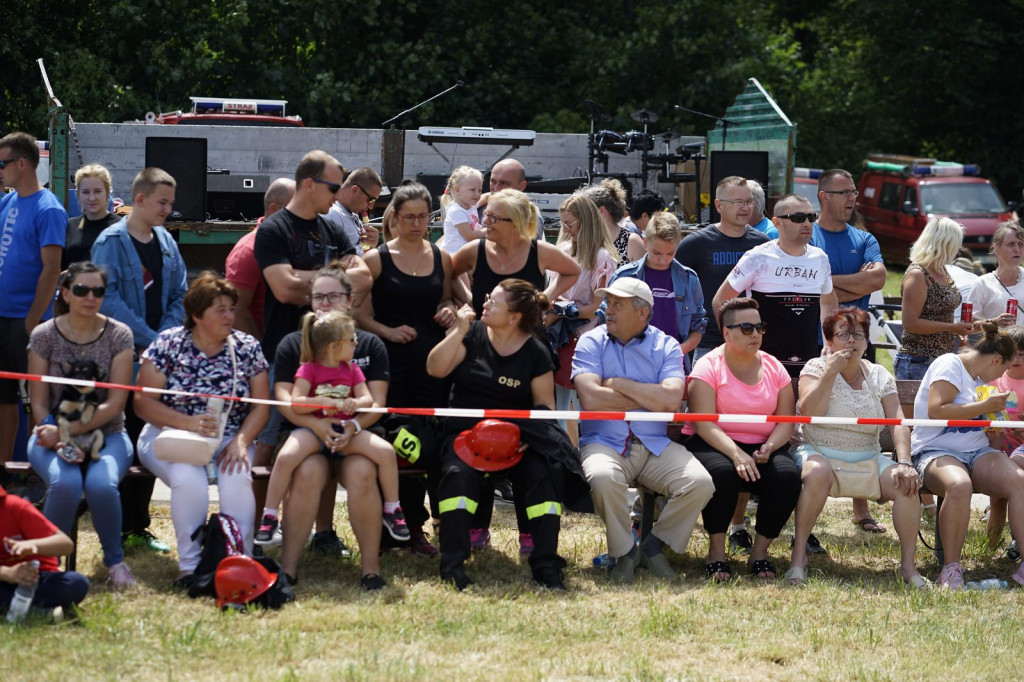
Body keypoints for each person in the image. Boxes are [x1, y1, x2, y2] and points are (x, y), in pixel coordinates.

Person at [427, 279, 581, 590]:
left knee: (543, 474)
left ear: (513, 317)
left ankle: (546, 565)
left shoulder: (536, 352)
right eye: (487, 297)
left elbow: (544, 408)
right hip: (464, 437)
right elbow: (435, 369)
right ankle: (453, 564)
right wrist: (457, 330)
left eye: (493, 302)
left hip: (518, 441)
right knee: (458, 477)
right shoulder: (470, 335)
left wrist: (528, 437)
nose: (484, 304)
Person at [451, 189, 579, 552]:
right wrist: (466, 303)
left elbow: (572, 271)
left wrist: (547, 299)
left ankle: (529, 532)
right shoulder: (474, 251)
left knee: (529, 443)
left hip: (528, 354)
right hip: (483, 348)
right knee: (480, 434)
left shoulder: (539, 251)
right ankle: (477, 528)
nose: (485, 222)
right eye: (485, 215)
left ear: (518, 224)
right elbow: (449, 273)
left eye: (493, 218)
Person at [573, 278, 714, 582]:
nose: (607, 309)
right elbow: (592, 399)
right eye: (607, 302)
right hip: (604, 443)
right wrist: (650, 395)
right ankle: (625, 551)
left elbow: (671, 401)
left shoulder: (666, 345)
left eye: (616, 304)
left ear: (642, 313)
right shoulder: (590, 340)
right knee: (601, 478)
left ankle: (653, 547)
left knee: (700, 483)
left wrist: (618, 384)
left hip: (655, 445)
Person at [135, 274, 270, 587]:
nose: (229, 316)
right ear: (197, 315)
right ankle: (192, 569)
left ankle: (240, 562)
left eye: (231, 309)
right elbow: (142, 403)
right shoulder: (168, 343)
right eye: (220, 310)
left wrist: (241, 441)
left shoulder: (247, 347)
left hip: (229, 436)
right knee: (187, 479)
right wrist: (188, 423)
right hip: (169, 435)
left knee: (237, 478)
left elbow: (261, 406)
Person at [274, 264, 396, 587]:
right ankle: (287, 570)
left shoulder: (368, 345)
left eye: (333, 296)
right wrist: (317, 427)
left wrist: (352, 428)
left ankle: (370, 570)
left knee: (363, 473)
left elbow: (377, 402)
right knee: (306, 473)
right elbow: (285, 399)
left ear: (350, 299)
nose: (324, 304)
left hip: (356, 434)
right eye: (318, 297)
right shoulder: (294, 343)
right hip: (308, 433)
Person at [787, 307, 927, 587]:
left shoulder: (879, 374)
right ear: (829, 341)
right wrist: (830, 373)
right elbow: (808, 410)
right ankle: (798, 556)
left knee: (908, 485)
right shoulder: (815, 368)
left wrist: (904, 461)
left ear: (867, 342)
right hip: (818, 450)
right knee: (816, 473)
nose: (851, 341)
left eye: (858, 335)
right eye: (843, 335)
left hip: (868, 456)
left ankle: (908, 567)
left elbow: (897, 421)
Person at [91, 166, 188, 554]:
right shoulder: (109, 242)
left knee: (148, 436)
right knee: (120, 440)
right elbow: (107, 298)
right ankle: (115, 526)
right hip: (119, 360)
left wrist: (163, 340)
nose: (168, 209)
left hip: (155, 362)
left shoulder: (167, 241)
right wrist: (152, 339)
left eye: (171, 203)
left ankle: (138, 524)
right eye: (162, 202)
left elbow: (180, 293)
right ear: (141, 199)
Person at [356, 182, 456, 555]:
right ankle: (395, 527)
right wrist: (387, 330)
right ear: (394, 218)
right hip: (389, 365)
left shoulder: (441, 257)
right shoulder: (376, 259)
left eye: (423, 217)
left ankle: (429, 525)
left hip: (433, 364)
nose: (416, 223)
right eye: (409, 216)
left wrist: (448, 309)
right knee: (397, 444)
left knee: (432, 442)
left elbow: (445, 296)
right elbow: (358, 315)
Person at [26, 262, 136, 587]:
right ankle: (45, 567)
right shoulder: (43, 335)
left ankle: (115, 562)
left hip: (109, 433)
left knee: (102, 485)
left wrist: (69, 433)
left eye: (98, 291)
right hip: (51, 430)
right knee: (66, 484)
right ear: (65, 293)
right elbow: (40, 402)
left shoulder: (120, 335)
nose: (91, 297)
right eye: (82, 290)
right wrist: (55, 436)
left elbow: (115, 404)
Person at [256, 310, 409, 545]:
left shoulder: (352, 370)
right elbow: (296, 402)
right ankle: (270, 514)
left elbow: (368, 400)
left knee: (386, 451)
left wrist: (355, 403)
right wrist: (321, 403)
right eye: (352, 340)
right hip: (313, 429)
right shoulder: (308, 369)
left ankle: (392, 509)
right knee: (286, 457)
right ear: (333, 346)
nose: (357, 342)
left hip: (345, 428)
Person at [681, 297, 801, 581]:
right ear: (726, 332)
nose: (756, 334)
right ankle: (717, 554)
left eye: (760, 327)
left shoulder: (774, 367)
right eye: (746, 328)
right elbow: (702, 423)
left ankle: (759, 554)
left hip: (762, 445)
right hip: (714, 442)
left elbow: (785, 421)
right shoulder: (708, 366)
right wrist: (736, 454)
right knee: (722, 475)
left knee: (787, 477)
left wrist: (771, 446)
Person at [909, 322, 1024, 589]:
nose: (1003, 373)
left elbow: (982, 428)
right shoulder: (950, 364)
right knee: (959, 484)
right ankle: (951, 569)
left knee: (1018, 480)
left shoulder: (980, 379)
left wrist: (995, 429)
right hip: (935, 449)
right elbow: (937, 410)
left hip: (977, 451)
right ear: (996, 359)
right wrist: (983, 406)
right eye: (1004, 368)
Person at [254, 149, 371, 367]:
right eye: (333, 188)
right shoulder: (274, 230)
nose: (336, 196)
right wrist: (338, 284)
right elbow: (285, 289)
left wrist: (302, 277)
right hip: (288, 358)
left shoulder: (333, 229)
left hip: (332, 357)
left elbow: (364, 278)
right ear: (309, 184)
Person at [713, 193, 838, 378]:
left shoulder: (820, 258)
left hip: (808, 363)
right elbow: (721, 300)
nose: (806, 223)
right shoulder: (757, 257)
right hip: (763, 364)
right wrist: (734, 343)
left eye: (811, 217)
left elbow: (828, 301)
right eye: (797, 218)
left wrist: (830, 344)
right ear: (777, 223)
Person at [0, 132, 66, 468]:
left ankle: (44, 474)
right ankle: (4, 472)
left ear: (22, 163)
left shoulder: (48, 208)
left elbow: (52, 270)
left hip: (25, 322)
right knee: (4, 399)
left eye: (2, 163)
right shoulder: (8, 202)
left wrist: (31, 322)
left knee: (37, 401)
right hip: (2, 318)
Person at [676, 176, 769, 363]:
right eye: (737, 202)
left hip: (752, 340)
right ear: (718, 205)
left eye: (749, 202)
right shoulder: (696, 243)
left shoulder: (763, 245)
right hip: (708, 343)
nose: (745, 207)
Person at [548, 192, 618, 439]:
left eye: (570, 224)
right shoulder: (564, 249)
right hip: (558, 337)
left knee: (581, 405)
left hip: (584, 339)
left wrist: (561, 312)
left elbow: (598, 307)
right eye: (563, 223)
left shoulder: (601, 257)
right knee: (557, 404)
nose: (565, 230)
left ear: (586, 222)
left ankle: (584, 456)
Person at [605, 212, 706, 373]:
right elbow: (605, 320)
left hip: (671, 367)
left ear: (678, 246)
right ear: (644, 243)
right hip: (627, 364)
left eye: (670, 254)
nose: (663, 260)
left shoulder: (689, 279)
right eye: (656, 253)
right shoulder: (624, 276)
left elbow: (698, 326)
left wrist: (677, 351)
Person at [896, 217, 972, 381]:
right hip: (918, 360)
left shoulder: (941, 270)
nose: (958, 249)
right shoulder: (918, 274)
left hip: (941, 360)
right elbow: (910, 323)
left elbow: (942, 314)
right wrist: (952, 328)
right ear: (945, 243)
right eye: (956, 243)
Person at [1, 481, 89, 618]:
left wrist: (33, 545)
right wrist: (6, 573)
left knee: (76, 583)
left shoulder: (14, 506)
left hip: (36, 578)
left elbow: (66, 544)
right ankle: (41, 613)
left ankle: (14, 609)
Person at [225, 177, 296, 339]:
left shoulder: (291, 243)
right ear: (274, 209)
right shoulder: (248, 250)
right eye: (295, 209)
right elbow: (235, 310)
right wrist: (260, 355)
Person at [987, 325, 1024, 554]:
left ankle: (1017, 541)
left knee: (1017, 477)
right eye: (1013, 353)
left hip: (1021, 450)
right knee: (997, 500)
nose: (1017, 358)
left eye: (1023, 353)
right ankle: (989, 547)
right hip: (997, 447)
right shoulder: (994, 381)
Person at [965, 220, 1024, 328]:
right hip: (999, 344)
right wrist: (994, 322)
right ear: (995, 248)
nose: (1017, 249)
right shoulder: (982, 283)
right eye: (1011, 244)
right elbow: (968, 325)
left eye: (1021, 244)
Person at [63, 164, 119, 269]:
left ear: (107, 193)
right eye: (85, 192)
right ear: (78, 194)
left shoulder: (121, 229)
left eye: (97, 191)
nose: (92, 198)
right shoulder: (69, 227)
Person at [582, 178, 645, 264]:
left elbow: (643, 276)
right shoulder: (585, 241)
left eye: (585, 212)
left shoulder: (632, 241)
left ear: (601, 211)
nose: (581, 217)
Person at [326, 167, 383, 256]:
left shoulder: (352, 213)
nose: (371, 206)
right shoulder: (333, 214)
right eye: (371, 200)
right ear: (355, 190)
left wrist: (371, 246)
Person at [437, 166, 484, 253]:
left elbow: (486, 197)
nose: (477, 194)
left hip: (466, 253)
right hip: (454, 256)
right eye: (473, 190)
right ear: (457, 190)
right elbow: (470, 236)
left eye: (480, 190)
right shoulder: (457, 211)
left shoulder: (470, 206)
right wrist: (489, 230)